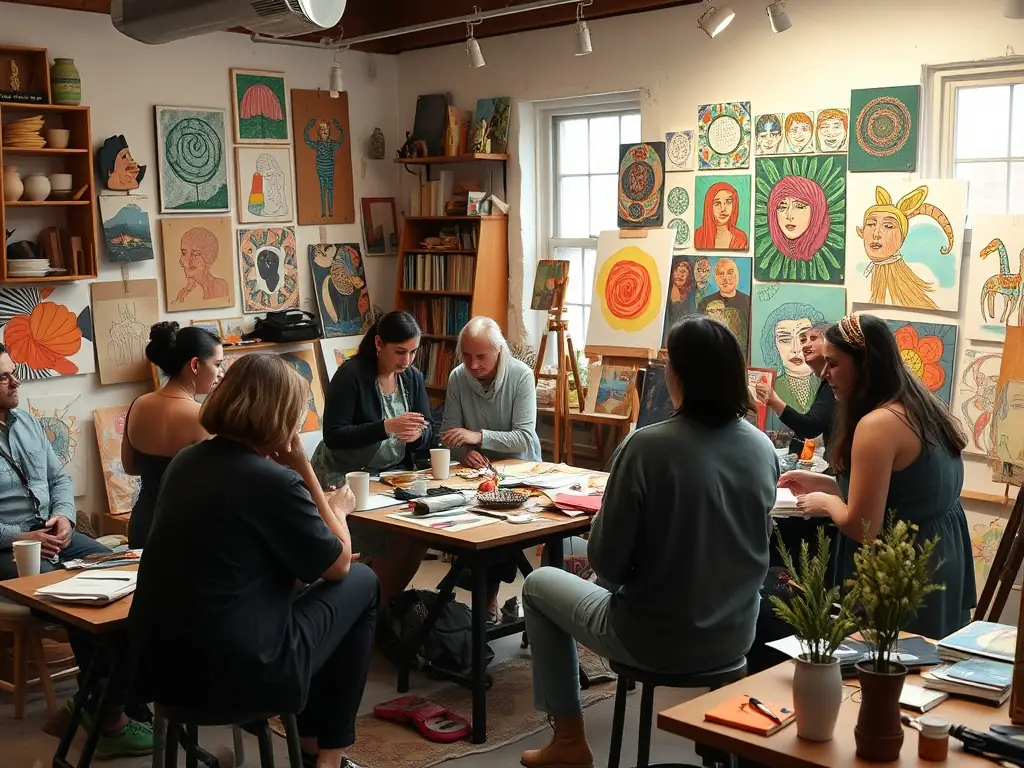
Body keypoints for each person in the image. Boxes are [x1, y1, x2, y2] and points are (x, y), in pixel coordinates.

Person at [519, 315, 779, 768]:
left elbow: (608, 563)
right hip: (735, 635)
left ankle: (568, 741)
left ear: (678, 375)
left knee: (539, 584)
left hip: (653, 638)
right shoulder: (762, 448)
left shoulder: (645, 447)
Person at [129, 355, 379, 768]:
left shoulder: (185, 462)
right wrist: (328, 496)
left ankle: (317, 742)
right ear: (280, 416)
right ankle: (329, 755)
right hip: (241, 672)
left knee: (320, 598)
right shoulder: (275, 482)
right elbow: (338, 564)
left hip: (164, 666)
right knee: (361, 583)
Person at [780, 314, 976, 639]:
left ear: (865, 365)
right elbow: (898, 493)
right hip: (942, 551)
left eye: (834, 364)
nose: (825, 374)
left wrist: (827, 502)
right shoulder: (922, 405)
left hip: (905, 566)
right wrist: (825, 483)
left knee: (889, 671)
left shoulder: (878, 424)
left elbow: (864, 528)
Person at [0, 344, 153, 758]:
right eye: (3, 377)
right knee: (82, 606)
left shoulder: (27, 422)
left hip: (58, 533)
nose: (15, 382)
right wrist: (21, 536)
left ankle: (94, 701)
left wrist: (65, 517)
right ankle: (112, 716)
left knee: (132, 580)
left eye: (14, 372)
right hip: (10, 548)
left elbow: (60, 481)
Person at [311, 311, 432, 625]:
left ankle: (383, 606)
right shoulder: (351, 375)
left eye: (413, 352)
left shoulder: (413, 378)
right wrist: (386, 427)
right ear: (379, 343)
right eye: (400, 352)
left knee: (417, 535)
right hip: (344, 475)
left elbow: (428, 428)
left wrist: (418, 435)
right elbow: (334, 436)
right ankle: (373, 609)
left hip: (390, 476)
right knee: (392, 537)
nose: (407, 360)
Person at [441, 316, 541, 623]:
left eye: (481, 357)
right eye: (467, 356)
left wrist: (478, 436)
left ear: (499, 351)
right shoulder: (458, 377)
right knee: (462, 524)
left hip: (520, 472)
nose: (472, 365)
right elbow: (448, 434)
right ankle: (471, 597)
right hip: (476, 474)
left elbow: (524, 437)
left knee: (498, 531)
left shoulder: (521, 376)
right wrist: (465, 450)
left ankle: (488, 598)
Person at [122, 322, 224, 548]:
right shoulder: (201, 417)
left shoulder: (138, 405)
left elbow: (130, 467)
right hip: (186, 529)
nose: (220, 373)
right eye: (217, 364)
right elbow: (220, 485)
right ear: (195, 365)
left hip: (143, 523)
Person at [755, 322, 835, 448]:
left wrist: (775, 401)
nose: (804, 346)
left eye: (813, 338)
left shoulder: (836, 383)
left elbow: (810, 427)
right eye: (804, 340)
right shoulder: (828, 383)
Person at [694, 181, 748, 250]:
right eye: (717, 203)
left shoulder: (740, 238)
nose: (723, 209)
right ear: (709, 206)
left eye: (728, 202)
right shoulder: (698, 235)